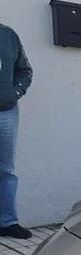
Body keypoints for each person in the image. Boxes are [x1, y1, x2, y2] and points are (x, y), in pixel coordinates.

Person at [0, 23, 33, 239]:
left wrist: (15, 92)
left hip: (6, 111)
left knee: (6, 169)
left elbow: (25, 70)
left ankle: (7, 222)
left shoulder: (8, 35)